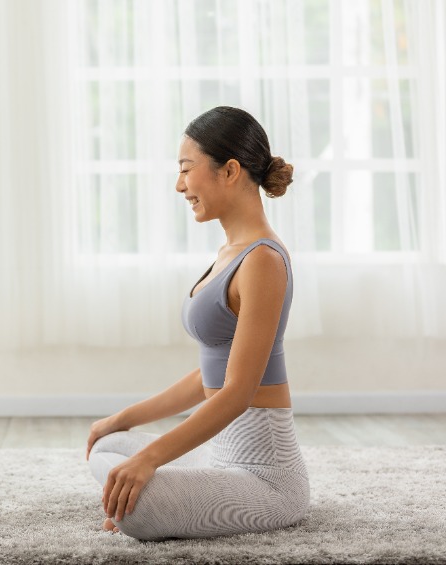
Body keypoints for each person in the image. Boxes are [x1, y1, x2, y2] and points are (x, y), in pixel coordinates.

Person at [86, 106, 309, 540]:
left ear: (229, 170)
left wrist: (150, 459)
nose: (179, 185)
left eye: (186, 170)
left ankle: (170, 497)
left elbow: (239, 392)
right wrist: (122, 418)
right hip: (218, 454)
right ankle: (173, 484)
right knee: (109, 447)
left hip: (264, 475)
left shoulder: (262, 260)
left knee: (137, 507)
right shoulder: (231, 252)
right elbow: (210, 374)